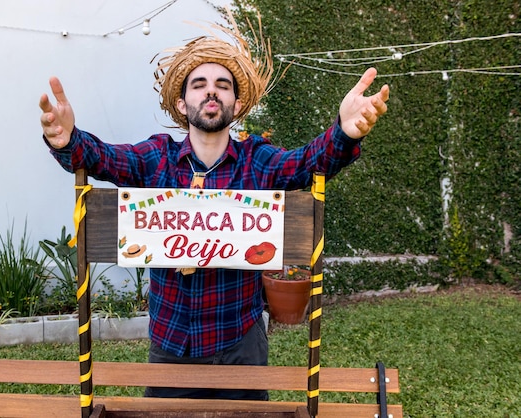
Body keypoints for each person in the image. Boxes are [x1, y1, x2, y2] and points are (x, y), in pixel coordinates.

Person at [39, 21, 389, 401]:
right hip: (172, 345)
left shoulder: (257, 161)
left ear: (236, 105)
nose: (211, 91)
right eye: (199, 84)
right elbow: (103, 158)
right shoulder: (157, 158)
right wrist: (69, 139)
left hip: (241, 343)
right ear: (181, 103)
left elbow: (307, 163)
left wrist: (344, 132)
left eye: (222, 86)